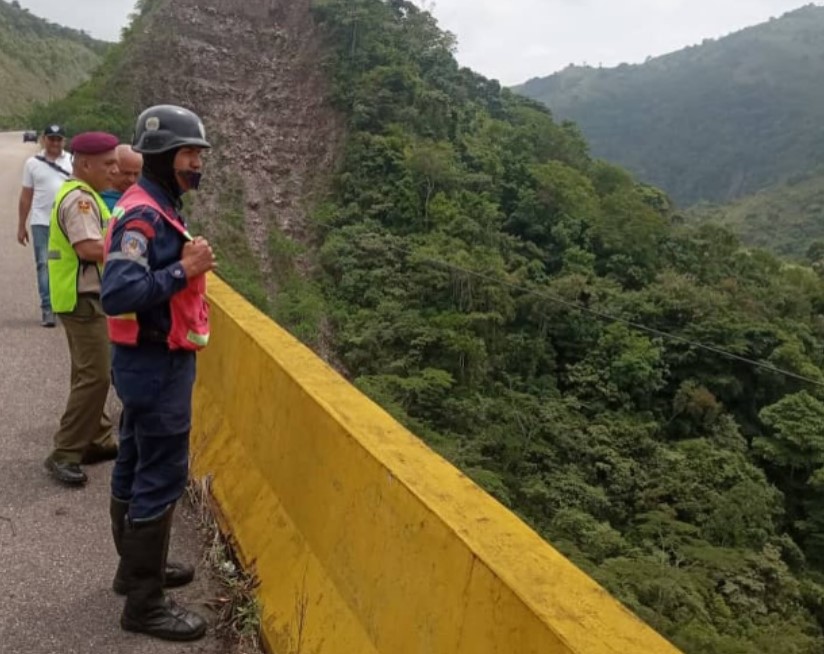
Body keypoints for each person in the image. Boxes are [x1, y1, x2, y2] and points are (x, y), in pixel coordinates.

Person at [101, 105, 215, 641]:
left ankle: (135, 571)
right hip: (156, 365)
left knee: (134, 458)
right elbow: (120, 291)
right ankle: (145, 605)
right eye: (191, 154)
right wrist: (183, 269)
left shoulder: (155, 203)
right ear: (168, 156)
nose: (197, 164)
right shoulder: (143, 215)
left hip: (144, 361)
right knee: (160, 474)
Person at [44, 132, 121, 486]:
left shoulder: (83, 194)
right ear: (84, 164)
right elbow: (89, 248)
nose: (115, 169)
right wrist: (135, 252)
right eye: (108, 163)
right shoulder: (81, 201)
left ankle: (97, 439)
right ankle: (65, 452)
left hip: (81, 296)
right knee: (96, 375)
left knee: (88, 372)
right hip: (83, 298)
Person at [17, 124, 73, 327]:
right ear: (43, 139)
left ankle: (66, 306)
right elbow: (26, 196)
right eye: (51, 139)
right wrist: (21, 225)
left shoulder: (72, 161)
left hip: (67, 223)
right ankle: (47, 309)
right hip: (41, 222)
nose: (55, 143)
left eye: (58, 139)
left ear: (63, 141)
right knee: (44, 265)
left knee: (66, 265)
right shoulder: (32, 163)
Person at [101, 144, 143, 212]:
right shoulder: (98, 200)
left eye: (136, 174)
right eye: (126, 173)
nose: (131, 179)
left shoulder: (144, 197)